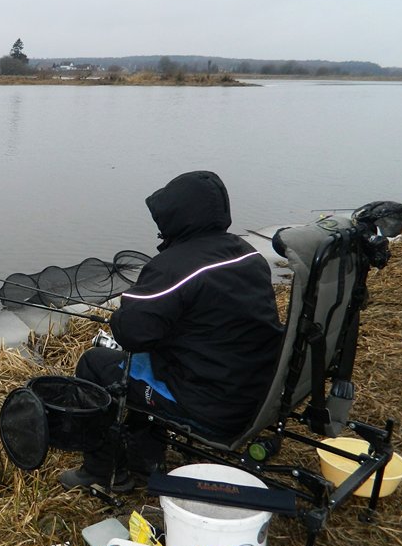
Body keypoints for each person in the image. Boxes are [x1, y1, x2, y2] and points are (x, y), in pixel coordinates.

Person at [61, 170, 283, 492]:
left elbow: (132, 334)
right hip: (256, 390)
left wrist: (120, 317)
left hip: (211, 406)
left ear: (177, 216)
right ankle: (144, 455)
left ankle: (102, 472)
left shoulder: (174, 266)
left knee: (95, 363)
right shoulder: (247, 253)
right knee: (147, 362)